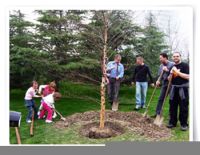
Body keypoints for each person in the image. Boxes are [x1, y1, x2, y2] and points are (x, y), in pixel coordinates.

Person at [167, 52, 189, 131]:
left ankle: (184, 124)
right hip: (173, 89)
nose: (175, 57)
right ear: (172, 58)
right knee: (172, 106)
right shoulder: (172, 66)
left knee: (183, 106)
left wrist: (177, 72)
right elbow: (169, 79)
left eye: (177, 56)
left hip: (183, 89)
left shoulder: (185, 65)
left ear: (180, 57)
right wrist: (170, 74)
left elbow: (188, 76)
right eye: (174, 56)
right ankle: (172, 122)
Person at [152, 53, 174, 117]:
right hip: (164, 84)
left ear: (165, 58)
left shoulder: (172, 64)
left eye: (161, 58)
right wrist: (158, 80)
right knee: (161, 98)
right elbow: (160, 75)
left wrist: (167, 70)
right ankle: (157, 113)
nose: (160, 59)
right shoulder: (161, 66)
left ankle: (171, 115)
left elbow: (174, 74)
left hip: (172, 84)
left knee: (172, 99)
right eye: (160, 58)